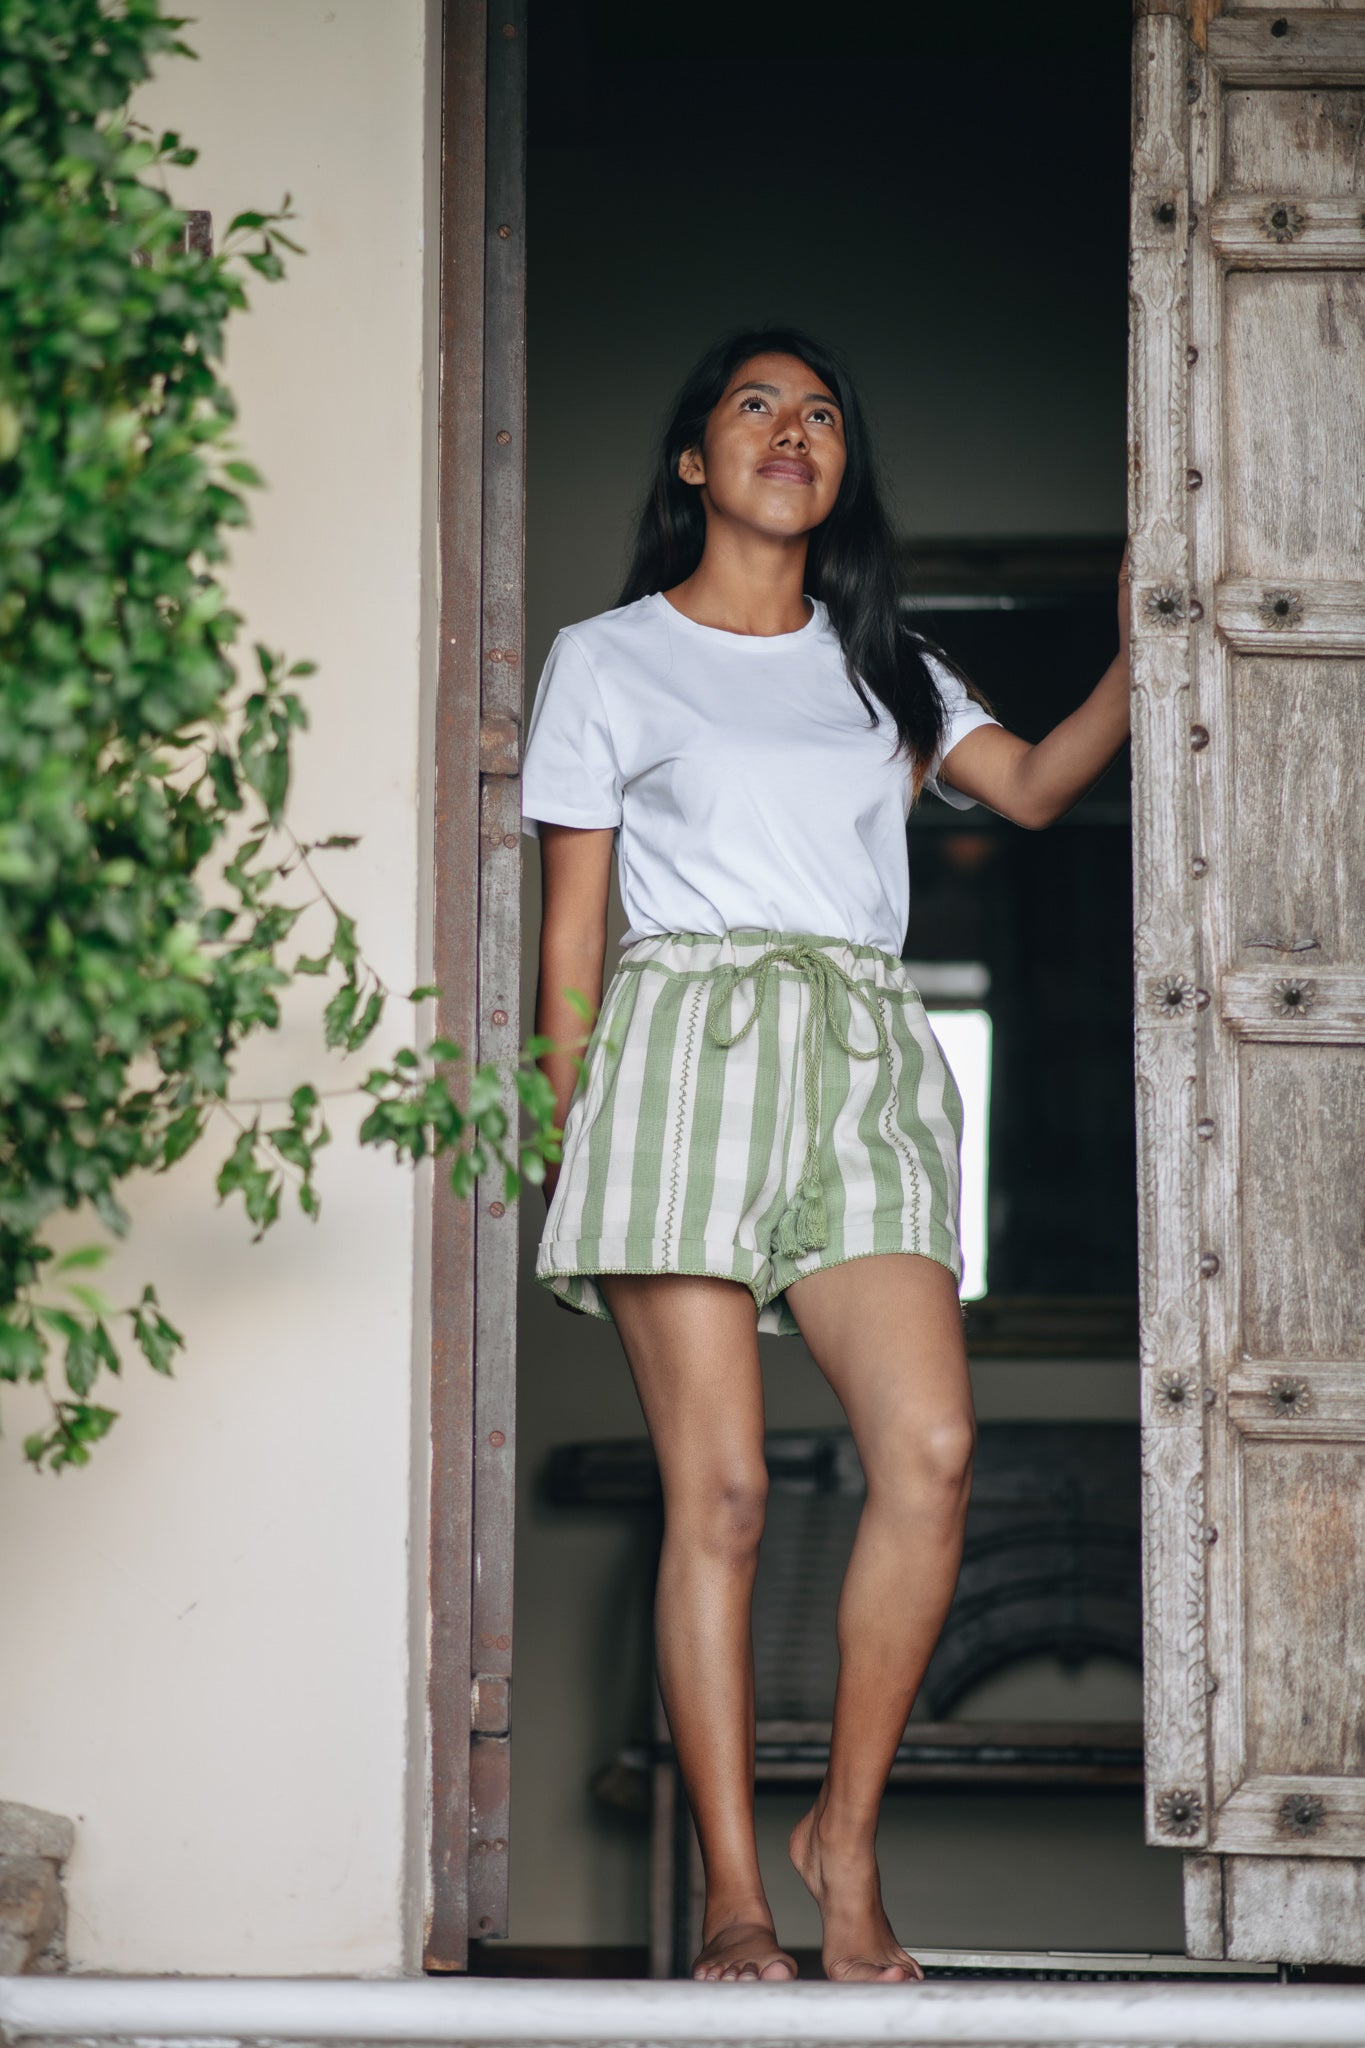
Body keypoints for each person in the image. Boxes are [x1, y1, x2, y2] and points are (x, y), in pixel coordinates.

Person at [520, 326, 1131, 1984]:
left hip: (859, 1051)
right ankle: (735, 1895)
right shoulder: (609, 658)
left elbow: (1030, 788)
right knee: (714, 1497)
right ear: (693, 464)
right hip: (679, 1054)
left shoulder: (889, 661)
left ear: (838, 471)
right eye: (754, 407)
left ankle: (839, 1842)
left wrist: (1165, 621)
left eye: (821, 415)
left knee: (926, 1448)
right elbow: (571, 940)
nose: (793, 430)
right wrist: (563, 1134)